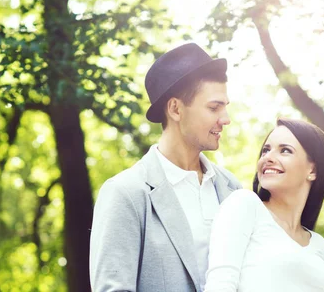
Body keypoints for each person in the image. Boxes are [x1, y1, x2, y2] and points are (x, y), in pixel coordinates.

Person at [89, 43, 243, 292]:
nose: (225, 119)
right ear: (175, 109)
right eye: (214, 107)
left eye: (225, 107)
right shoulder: (125, 193)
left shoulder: (232, 189)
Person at [204, 118, 324, 292]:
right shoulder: (245, 205)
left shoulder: (320, 246)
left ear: (313, 171)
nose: (268, 158)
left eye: (285, 150)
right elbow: (220, 284)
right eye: (266, 150)